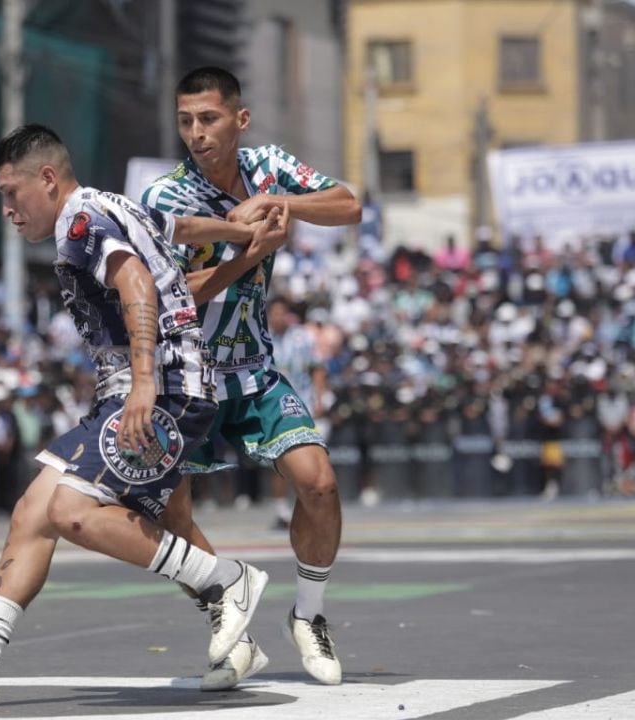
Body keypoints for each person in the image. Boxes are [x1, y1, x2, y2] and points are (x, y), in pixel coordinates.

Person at [0, 124, 285, 707]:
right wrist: (240, 231)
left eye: (11, 192)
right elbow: (179, 230)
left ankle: (228, 581)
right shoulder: (117, 206)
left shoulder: (80, 222)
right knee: (33, 512)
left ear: (47, 179)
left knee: (74, 512)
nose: (8, 210)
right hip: (139, 389)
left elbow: (138, 283)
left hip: (163, 389)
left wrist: (145, 383)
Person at [142, 66, 361, 687]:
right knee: (173, 518)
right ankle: (227, 626)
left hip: (255, 368)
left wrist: (280, 201)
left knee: (318, 483)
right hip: (185, 375)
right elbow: (171, 297)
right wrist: (252, 255)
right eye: (185, 121)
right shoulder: (167, 197)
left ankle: (309, 615)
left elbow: (349, 203)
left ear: (239, 119)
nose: (196, 133)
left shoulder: (268, 164)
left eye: (208, 119)